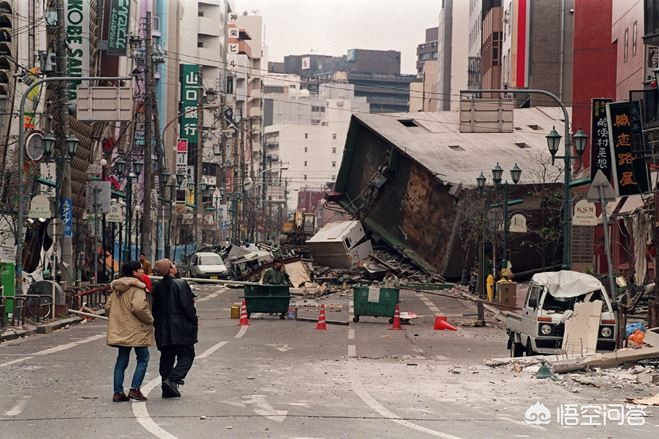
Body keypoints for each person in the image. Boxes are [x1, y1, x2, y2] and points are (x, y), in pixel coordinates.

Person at [106, 260, 154, 402]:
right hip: (137, 328)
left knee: (121, 359)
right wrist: (150, 319)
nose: (142, 272)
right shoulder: (137, 288)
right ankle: (135, 389)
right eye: (140, 270)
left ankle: (118, 392)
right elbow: (139, 307)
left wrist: (119, 317)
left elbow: (108, 308)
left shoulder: (116, 288)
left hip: (122, 328)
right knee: (143, 358)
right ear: (134, 272)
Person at [152, 258, 198, 398]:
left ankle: (166, 387)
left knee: (167, 356)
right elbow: (188, 307)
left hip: (162, 327)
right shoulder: (180, 284)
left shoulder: (157, 287)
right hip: (180, 327)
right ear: (169, 269)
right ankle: (171, 380)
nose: (175, 266)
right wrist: (193, 320)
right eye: (172, 265)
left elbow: (154, 309)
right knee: (187, 355)